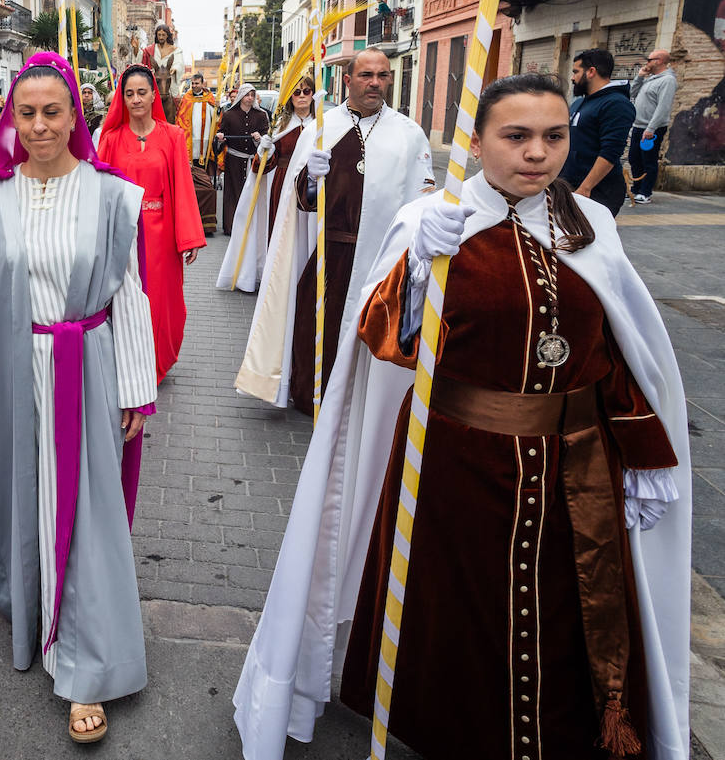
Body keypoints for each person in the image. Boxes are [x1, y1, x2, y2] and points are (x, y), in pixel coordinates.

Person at [234, 73, 691, 760]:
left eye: (554, 136)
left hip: (578, 472)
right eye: (516, 136)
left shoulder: (590, 225)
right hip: (455, 468)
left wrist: (643, 451)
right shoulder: (432, 223)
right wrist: (417, 268)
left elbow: (617, 351)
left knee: (572, 618)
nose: (537, 152)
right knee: (458, 619)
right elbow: (382, 339)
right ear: (476, 143)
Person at [0, 52, 156, 745]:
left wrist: (136, 390)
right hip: (16, 369)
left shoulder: (111, 194)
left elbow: (128, 295)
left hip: (87, 367)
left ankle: (86, 669)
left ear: (74, 114)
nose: (40, 125)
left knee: (86, 513)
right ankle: (37, 618)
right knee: (27, 502)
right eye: (26, 113)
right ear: (9, 120)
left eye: (53, 111)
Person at [237, 48, 433, 415]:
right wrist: (310, 177)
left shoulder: (409, 134)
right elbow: (301, 202)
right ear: (347, 80)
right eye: (366, 75)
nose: (375, 82)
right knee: (316, 327)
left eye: (383, 75)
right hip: (329, 252)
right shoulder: (322, 130)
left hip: (382, 256)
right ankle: (313, 395)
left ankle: (361, 403)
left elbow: (420, 200)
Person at [97, 65, 206, 384]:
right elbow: (101, 187)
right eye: (129, 93)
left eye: (142, 92)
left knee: (161, 301)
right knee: (125, 297)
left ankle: (157, 361)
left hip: (161, 237)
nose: (135, 99)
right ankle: (127, 361)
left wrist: (189, 237)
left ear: (153, 94)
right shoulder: (112, 138)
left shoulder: (173, 136)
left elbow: (183, 186)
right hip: (123, 233)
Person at [216, 76, 314, 293]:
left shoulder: (321, 125)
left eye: (306, 91)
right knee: (279, 231)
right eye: (296, 92)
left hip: (311, 189)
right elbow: (265, 164)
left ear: (313, 94)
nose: (301, 96)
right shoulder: (281, 125)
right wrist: (264, 148)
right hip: (282, 186)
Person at [561, 47, 635, 216]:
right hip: (570, 185)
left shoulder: (616, 104)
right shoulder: (579, 103)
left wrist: (585, 188)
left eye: (576, 72)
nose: (572, 78)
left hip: (598, 192)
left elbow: (610, 152)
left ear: (591, 71)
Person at [214, 84, 271, 238]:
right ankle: (231, 226)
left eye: (252, 95)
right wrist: (220, 139)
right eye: (247, 95)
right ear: (241, 96)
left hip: (253, 161)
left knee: (253, 193)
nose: (250, 98)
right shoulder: (229, 115)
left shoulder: (261, 115)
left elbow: (267, 138)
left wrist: (260, 139)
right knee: (233, 193)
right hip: (234, 161)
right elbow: (221, 137)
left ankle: (252, 226)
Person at [629, 48, 678, 203]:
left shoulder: (667, 80)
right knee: (634, 158)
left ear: (660, 61)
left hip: (652, 128)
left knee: (648, 160)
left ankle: (645, 192)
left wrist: (651, 128)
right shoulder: (650, 78)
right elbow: (632, 93)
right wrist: (639, 77)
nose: (647, 63)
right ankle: (635, 189)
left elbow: (663, 107)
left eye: (650, 60)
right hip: (638, 126)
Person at [176, 72, 221, 237]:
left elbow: (216, 121)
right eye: (192, 84)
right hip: (190, 149)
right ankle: (188, 220)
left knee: (206, 185)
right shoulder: (186, 100)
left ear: (203, 83)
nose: (194, 86)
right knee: (191, 186)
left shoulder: (210, 100)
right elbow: (180, 122)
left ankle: (205, 221)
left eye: (196, 83)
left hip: (205, 148)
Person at [140, 24, 187, 120]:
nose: (161, 37)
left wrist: (175, 68)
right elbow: (142, 58)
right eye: (159, 35)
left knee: (177, 104)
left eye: (163, 35)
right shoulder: (150, 49)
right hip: (154, 81)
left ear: (167, 36)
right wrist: (136, 49)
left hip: (169, 81)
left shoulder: (175, 50)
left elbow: (179, 62)